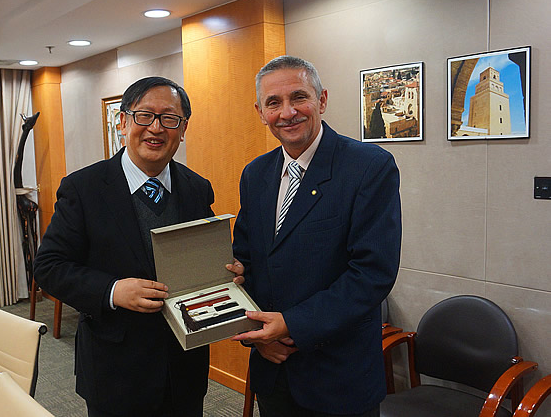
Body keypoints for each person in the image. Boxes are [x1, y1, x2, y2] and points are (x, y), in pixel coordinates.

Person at [34, 76, 238, 417]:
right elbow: (49, 267)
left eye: (169, 118)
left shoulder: (196, 188)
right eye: (144, 115)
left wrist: (227, 270)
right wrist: (113, 290)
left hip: (184, 366)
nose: (155, 128)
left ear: (183, 129)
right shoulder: (84, 188)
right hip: (115, 369)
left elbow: (204, 255)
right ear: (123, 122)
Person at [231, 56, 402, 416]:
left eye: (299, 97)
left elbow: (372, 274)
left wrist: (291, 325)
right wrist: (257, 336)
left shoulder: (369, 167)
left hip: (338, 377)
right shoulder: (255, 174)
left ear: (321, 100)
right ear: (260, 112)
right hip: (273, 370)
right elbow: (246, 262)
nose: (287, 112)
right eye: (273, 103)